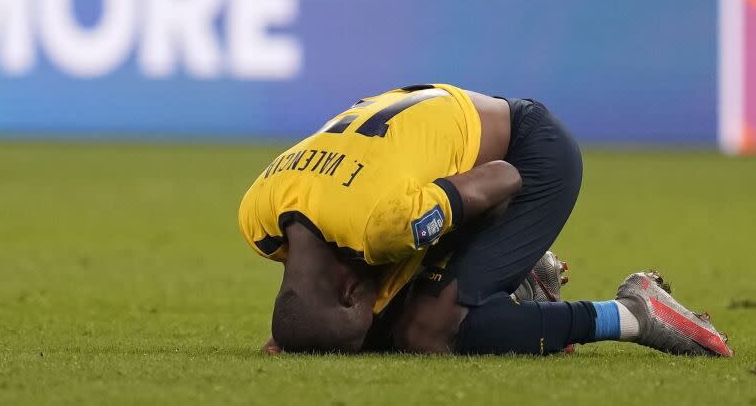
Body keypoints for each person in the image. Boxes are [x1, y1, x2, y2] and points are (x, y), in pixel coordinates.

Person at [238, 84, 732, 357]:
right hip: (437, 153)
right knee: (392, 324)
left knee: (424, 333)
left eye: (361, 306)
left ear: (347, 290)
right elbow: (313, 294)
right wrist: (298, 334)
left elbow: (502, 178)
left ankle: (632, 312)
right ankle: (517, 278)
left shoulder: (387, 225)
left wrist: (488, 246)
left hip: (528, 154)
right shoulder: (258, 213)